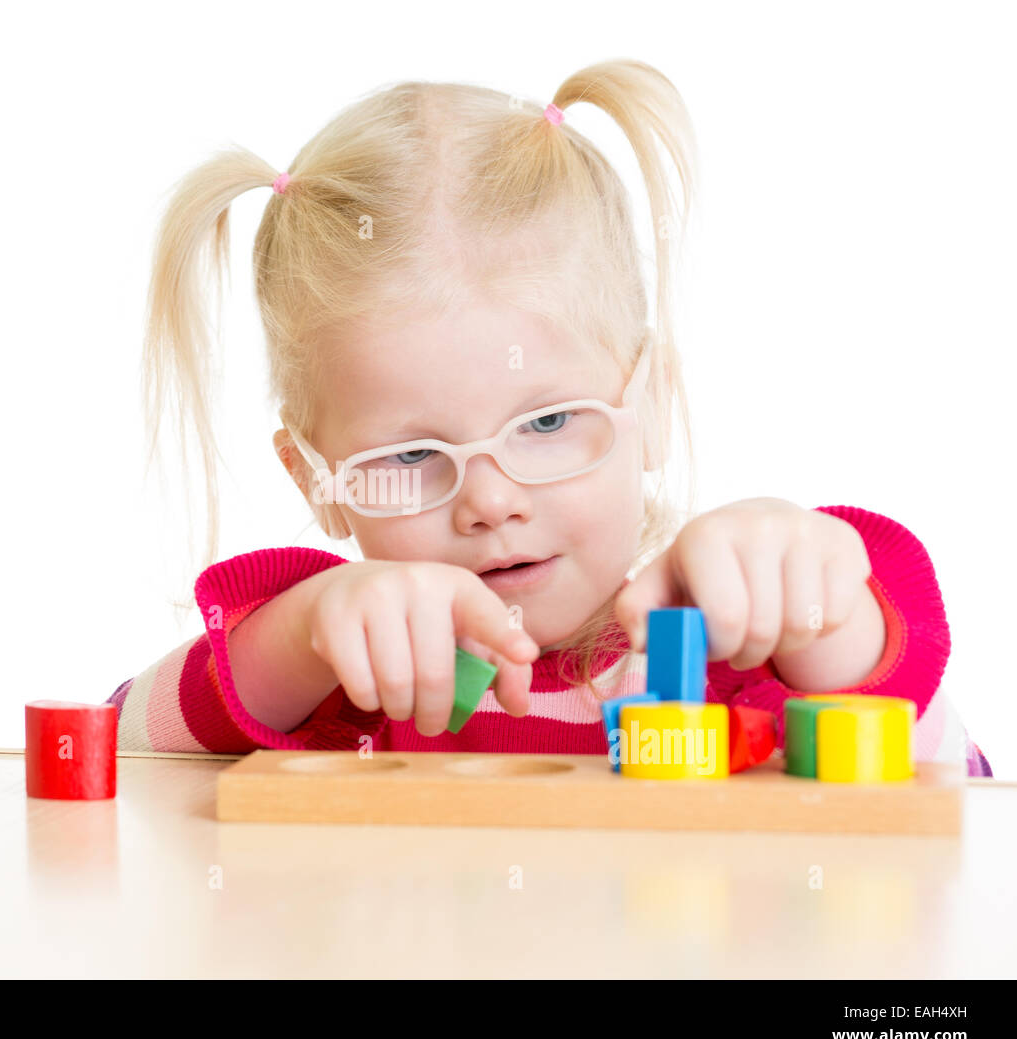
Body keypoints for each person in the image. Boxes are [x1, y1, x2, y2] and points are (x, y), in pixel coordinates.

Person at [107, 60, 991, 776]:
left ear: (652, 409)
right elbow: (116, 755)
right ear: (318, 481)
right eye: (414, 453)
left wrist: (822, 620)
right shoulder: (345, 680)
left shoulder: (730, 659)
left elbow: (964, 799)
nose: (490, 503)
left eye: (546, 423)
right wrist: (297, 639)